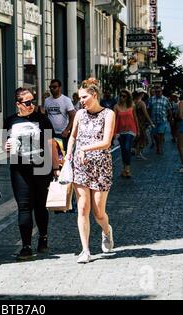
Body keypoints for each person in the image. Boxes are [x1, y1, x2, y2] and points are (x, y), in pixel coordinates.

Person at [4, 87, 60, 261]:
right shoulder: (10, 121)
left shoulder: (42, 119)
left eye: (33, 101)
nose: (32, 105)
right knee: (24, 206)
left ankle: (43, 237)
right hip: (19, 169)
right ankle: (26, 246)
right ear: (18, 104)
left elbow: (51, 145)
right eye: (27, 102)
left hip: (41, 167)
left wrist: (56, 168)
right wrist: (6, 148)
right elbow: (7, 145)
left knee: (40, 205)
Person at [66, 78, 115, 264]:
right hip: (80, 166)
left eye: (84, 97)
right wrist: (69, 156)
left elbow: (106, 142)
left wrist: (85, 149)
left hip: (101, 166)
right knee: (83, 209)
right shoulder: (79, 114)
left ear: (94, 95)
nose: (81, 101)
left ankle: (107, 230)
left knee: (98, 212)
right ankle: (85, 250)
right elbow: (73, 137)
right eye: (80, 98)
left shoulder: (108, 114)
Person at [42, 79, 75, 151]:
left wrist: (67, 130)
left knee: (61, 156)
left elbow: (72, 116)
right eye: (50, 87)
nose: (52, 89)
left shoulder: (66, 100)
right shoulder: (47, 100)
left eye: (54, 87)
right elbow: (46, 116)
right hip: (49, 132)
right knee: (49, 156)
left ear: (60, 87)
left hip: (61, 133)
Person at [114, 89, 139, 178]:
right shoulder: (116, 107)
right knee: (123, 150)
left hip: (130, 130)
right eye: (120, 96)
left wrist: (138, 130)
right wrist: (113, 132)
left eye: (124, 96)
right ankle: (125, 169)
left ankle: (127, 169)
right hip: (120, 131)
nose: (122, 98)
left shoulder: (132, 106)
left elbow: (135, 118)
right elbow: (114, 120)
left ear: (127, 97)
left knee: (127, 148)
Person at [148, 85, 172, 155]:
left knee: (161, 134)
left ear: (161, 92)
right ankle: (158, 144)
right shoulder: (151, 99)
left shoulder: (165, 99)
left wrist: (171, 117)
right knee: (155, 135)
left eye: (159, 91)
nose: (157, 93)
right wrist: (148, 119)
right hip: (153, 120)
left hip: (162, 120)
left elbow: (169, 108)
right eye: (156, 92)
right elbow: (149, 109)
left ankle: (159, 147)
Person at [133, 89, 154, 160]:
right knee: (144, 139)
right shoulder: (141, 103)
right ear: (141, 94)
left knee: (138, 138)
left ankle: (137, 151)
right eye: (143, 93)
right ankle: (138, 153)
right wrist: (151, 123)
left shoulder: (133, 102)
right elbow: (146, 114)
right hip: (141, 123)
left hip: (133, 123)